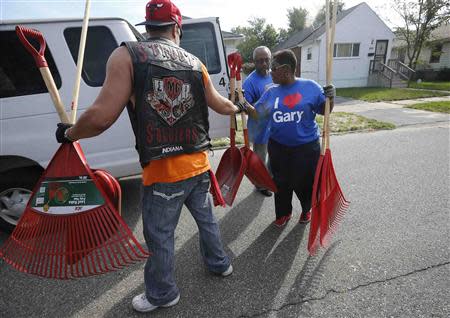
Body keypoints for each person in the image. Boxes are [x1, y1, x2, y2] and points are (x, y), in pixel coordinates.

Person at [55, 0, 252, 313]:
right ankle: (220, 264)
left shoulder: (127, 55)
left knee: (160, 236)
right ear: (177, 28)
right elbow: (219, 103)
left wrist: (69, 133)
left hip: (164, 174)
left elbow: (101, 117)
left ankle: (162, 294)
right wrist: (238, 106)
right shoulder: (193, 61)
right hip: (199, 165)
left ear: (147, 27)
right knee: (207, 222)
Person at [253, 49, 335, 228]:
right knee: (280, 184)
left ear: (286, 69)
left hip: (306, 147)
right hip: (278, 147)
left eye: (273, 68)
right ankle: (284, 213)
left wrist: (331, 98)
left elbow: (325, 111)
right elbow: (257, 112)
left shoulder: (311, 87)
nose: (270, 71)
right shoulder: (271, 91)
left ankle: (307, 210)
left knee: (305, 183)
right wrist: (240, 104)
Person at [243, 46, 274, 197]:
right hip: (259, 127)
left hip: (276, 125)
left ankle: (270, 178)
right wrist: (262, 107)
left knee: (274, 155)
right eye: (260, 61)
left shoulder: (274, 75)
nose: (264, 64)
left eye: (266, 60)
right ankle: (260, 185)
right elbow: (245, 106)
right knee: (260, 158)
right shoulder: (250, 82)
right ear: (254, 62)